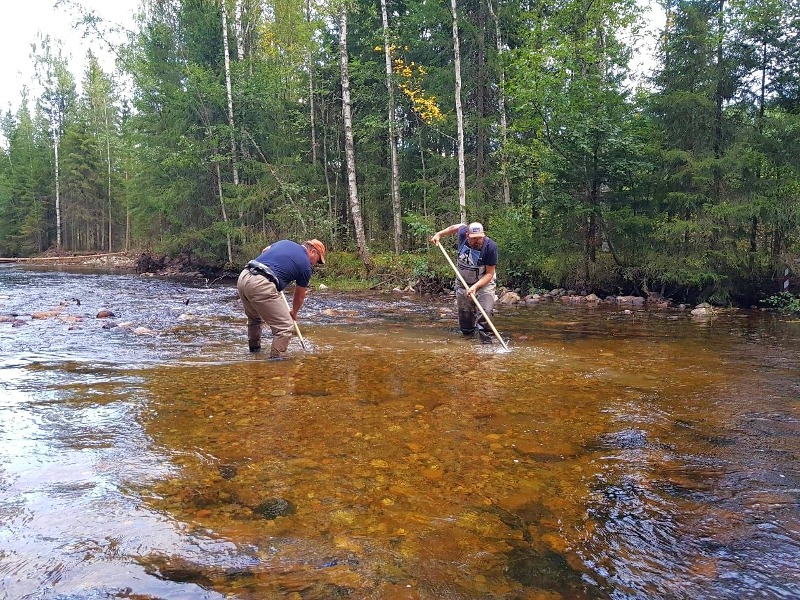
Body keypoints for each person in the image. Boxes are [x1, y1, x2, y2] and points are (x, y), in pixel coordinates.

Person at [237, 239, 326, 358]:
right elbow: (299, 296)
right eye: (318, 260)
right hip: (261, 283)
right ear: (313, 251)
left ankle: (254, 352)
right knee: (284, 326)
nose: (316, 264)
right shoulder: (305, 266)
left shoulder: (285, 243)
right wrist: (294, 312)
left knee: (255, 319)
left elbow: (265, 250)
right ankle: (277, 362)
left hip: (244, 276)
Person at [431, 222, 498, 343]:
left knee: (486, 312)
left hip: (484, 283)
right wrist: (439, 234)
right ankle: (468, 343)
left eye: (480, 237)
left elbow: (490, 274)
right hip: (463, 282)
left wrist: (476, 287)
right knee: (465, 317)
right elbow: (457, 226)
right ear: (467, 235)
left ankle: (488, 344)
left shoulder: (490, 247)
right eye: (474, 238)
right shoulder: (462, 233)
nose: (478, 240)